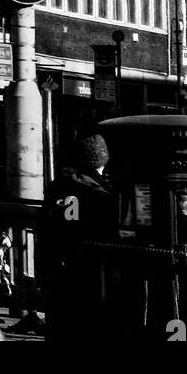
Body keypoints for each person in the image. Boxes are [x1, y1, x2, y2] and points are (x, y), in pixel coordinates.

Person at [39, 132, 119, 342]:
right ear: (102, 159)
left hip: (58, 270)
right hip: (90, 273)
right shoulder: (100, 192)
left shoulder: (57, 186)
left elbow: (45, 229)